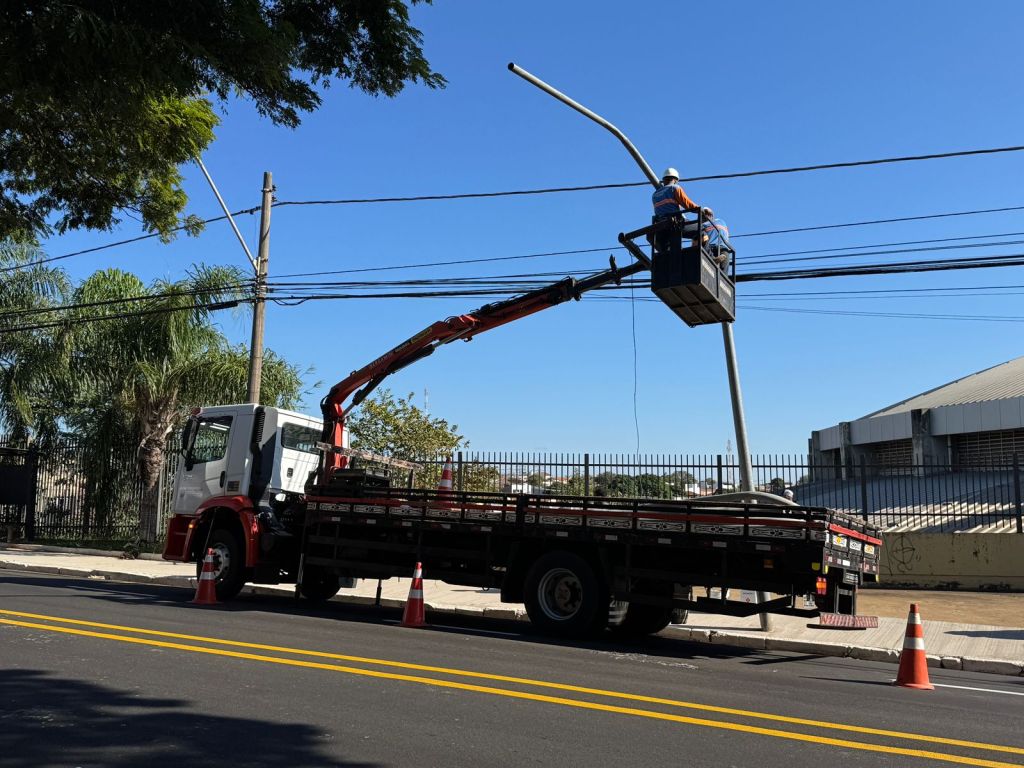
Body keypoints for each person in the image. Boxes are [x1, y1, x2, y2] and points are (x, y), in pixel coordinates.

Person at [651, 168, 714, 252]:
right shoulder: (675, 188)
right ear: (675, 180)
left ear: (664, 180)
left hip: (661, 226)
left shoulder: (654, 195)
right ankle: (708, 255)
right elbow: (688, 205)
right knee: (702, 231)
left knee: (669, 249)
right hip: (676, 224)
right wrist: (702, 211)